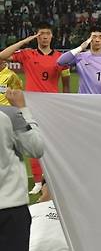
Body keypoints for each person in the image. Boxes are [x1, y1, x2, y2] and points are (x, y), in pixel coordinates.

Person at [0, 22, 70, 194]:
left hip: (53, 106)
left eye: (47, 33)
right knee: (32, 140)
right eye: (41, 33)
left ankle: (51, 179)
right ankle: (38, 181)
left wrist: (65, 104)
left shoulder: (61, 58)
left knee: (52, 143)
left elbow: (66, 84)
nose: (44, 36)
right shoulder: (27, 54)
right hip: (30, 105)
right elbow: (3, 55)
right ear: (37, 36)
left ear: (52, 36)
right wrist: (25, 41)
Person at [0, 89, 44, 251]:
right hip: (10, 209)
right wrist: (24, 109)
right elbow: (36, 148)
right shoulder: (9, 115)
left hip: (11, 209)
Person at [57, 28, 101, 94]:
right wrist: (81, 48)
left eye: (100, 37)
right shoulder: (80, 57)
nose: (97, 40)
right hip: (84, 101)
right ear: (89, 40)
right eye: (94, 37)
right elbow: (60, 61)